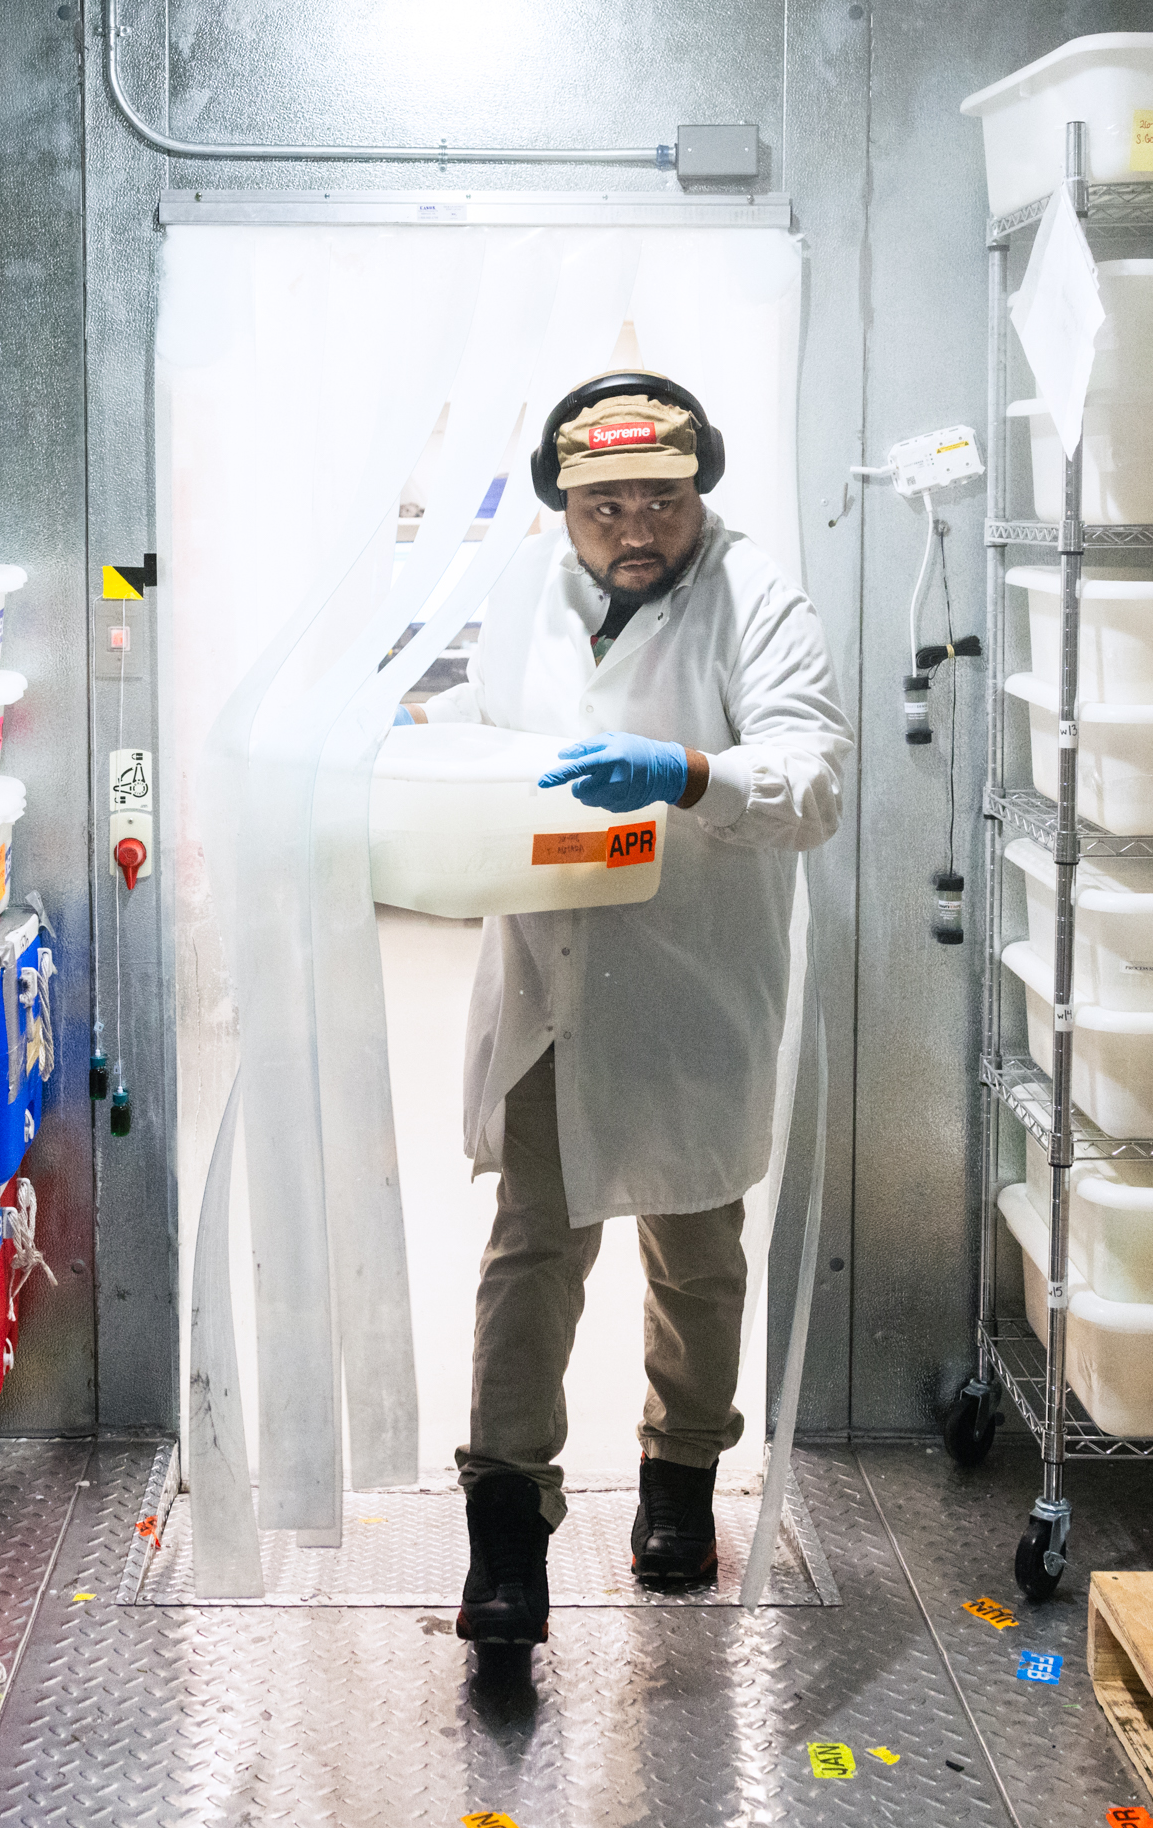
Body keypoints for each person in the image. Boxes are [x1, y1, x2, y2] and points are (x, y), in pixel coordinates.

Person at [407, 371, 850, 1651]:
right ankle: (505, 1528)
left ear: (699, 487)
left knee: (697, 1252)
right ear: (566, 508)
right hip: (554, 980)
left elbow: (814, 779)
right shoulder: (519, 594)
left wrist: (694, 772)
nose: (638, 528)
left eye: (663, 497)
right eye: (607, 506)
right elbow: (487, 734)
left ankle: (680, 1480)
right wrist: (412, 739)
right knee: (531, 1247)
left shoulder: (753, 595)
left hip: (693, 974)